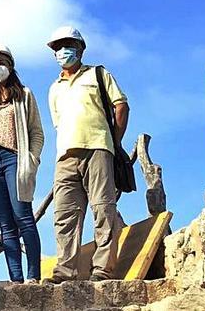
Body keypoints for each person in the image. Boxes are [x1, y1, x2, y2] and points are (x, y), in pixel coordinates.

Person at [46, 25, 129, 282]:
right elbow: (59, 123)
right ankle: (65, 271)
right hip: (65, 155)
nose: (63, 51)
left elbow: (121, 106)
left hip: (98, 148)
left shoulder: (98, 74)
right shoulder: (54, 88)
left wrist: (113, 142)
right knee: (64, 215)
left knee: (103, 208)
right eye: (58, 47)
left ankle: (102, 269)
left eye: (68, 45)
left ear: (81, 48)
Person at [0, 45, 45, 283]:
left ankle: (33, 275)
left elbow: (37, 132)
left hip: (14, 158)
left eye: (1, 63)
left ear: (10, 65)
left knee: (23, 217)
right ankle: (15, 278)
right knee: (5, 223)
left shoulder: (24, 94)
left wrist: (32, 160)